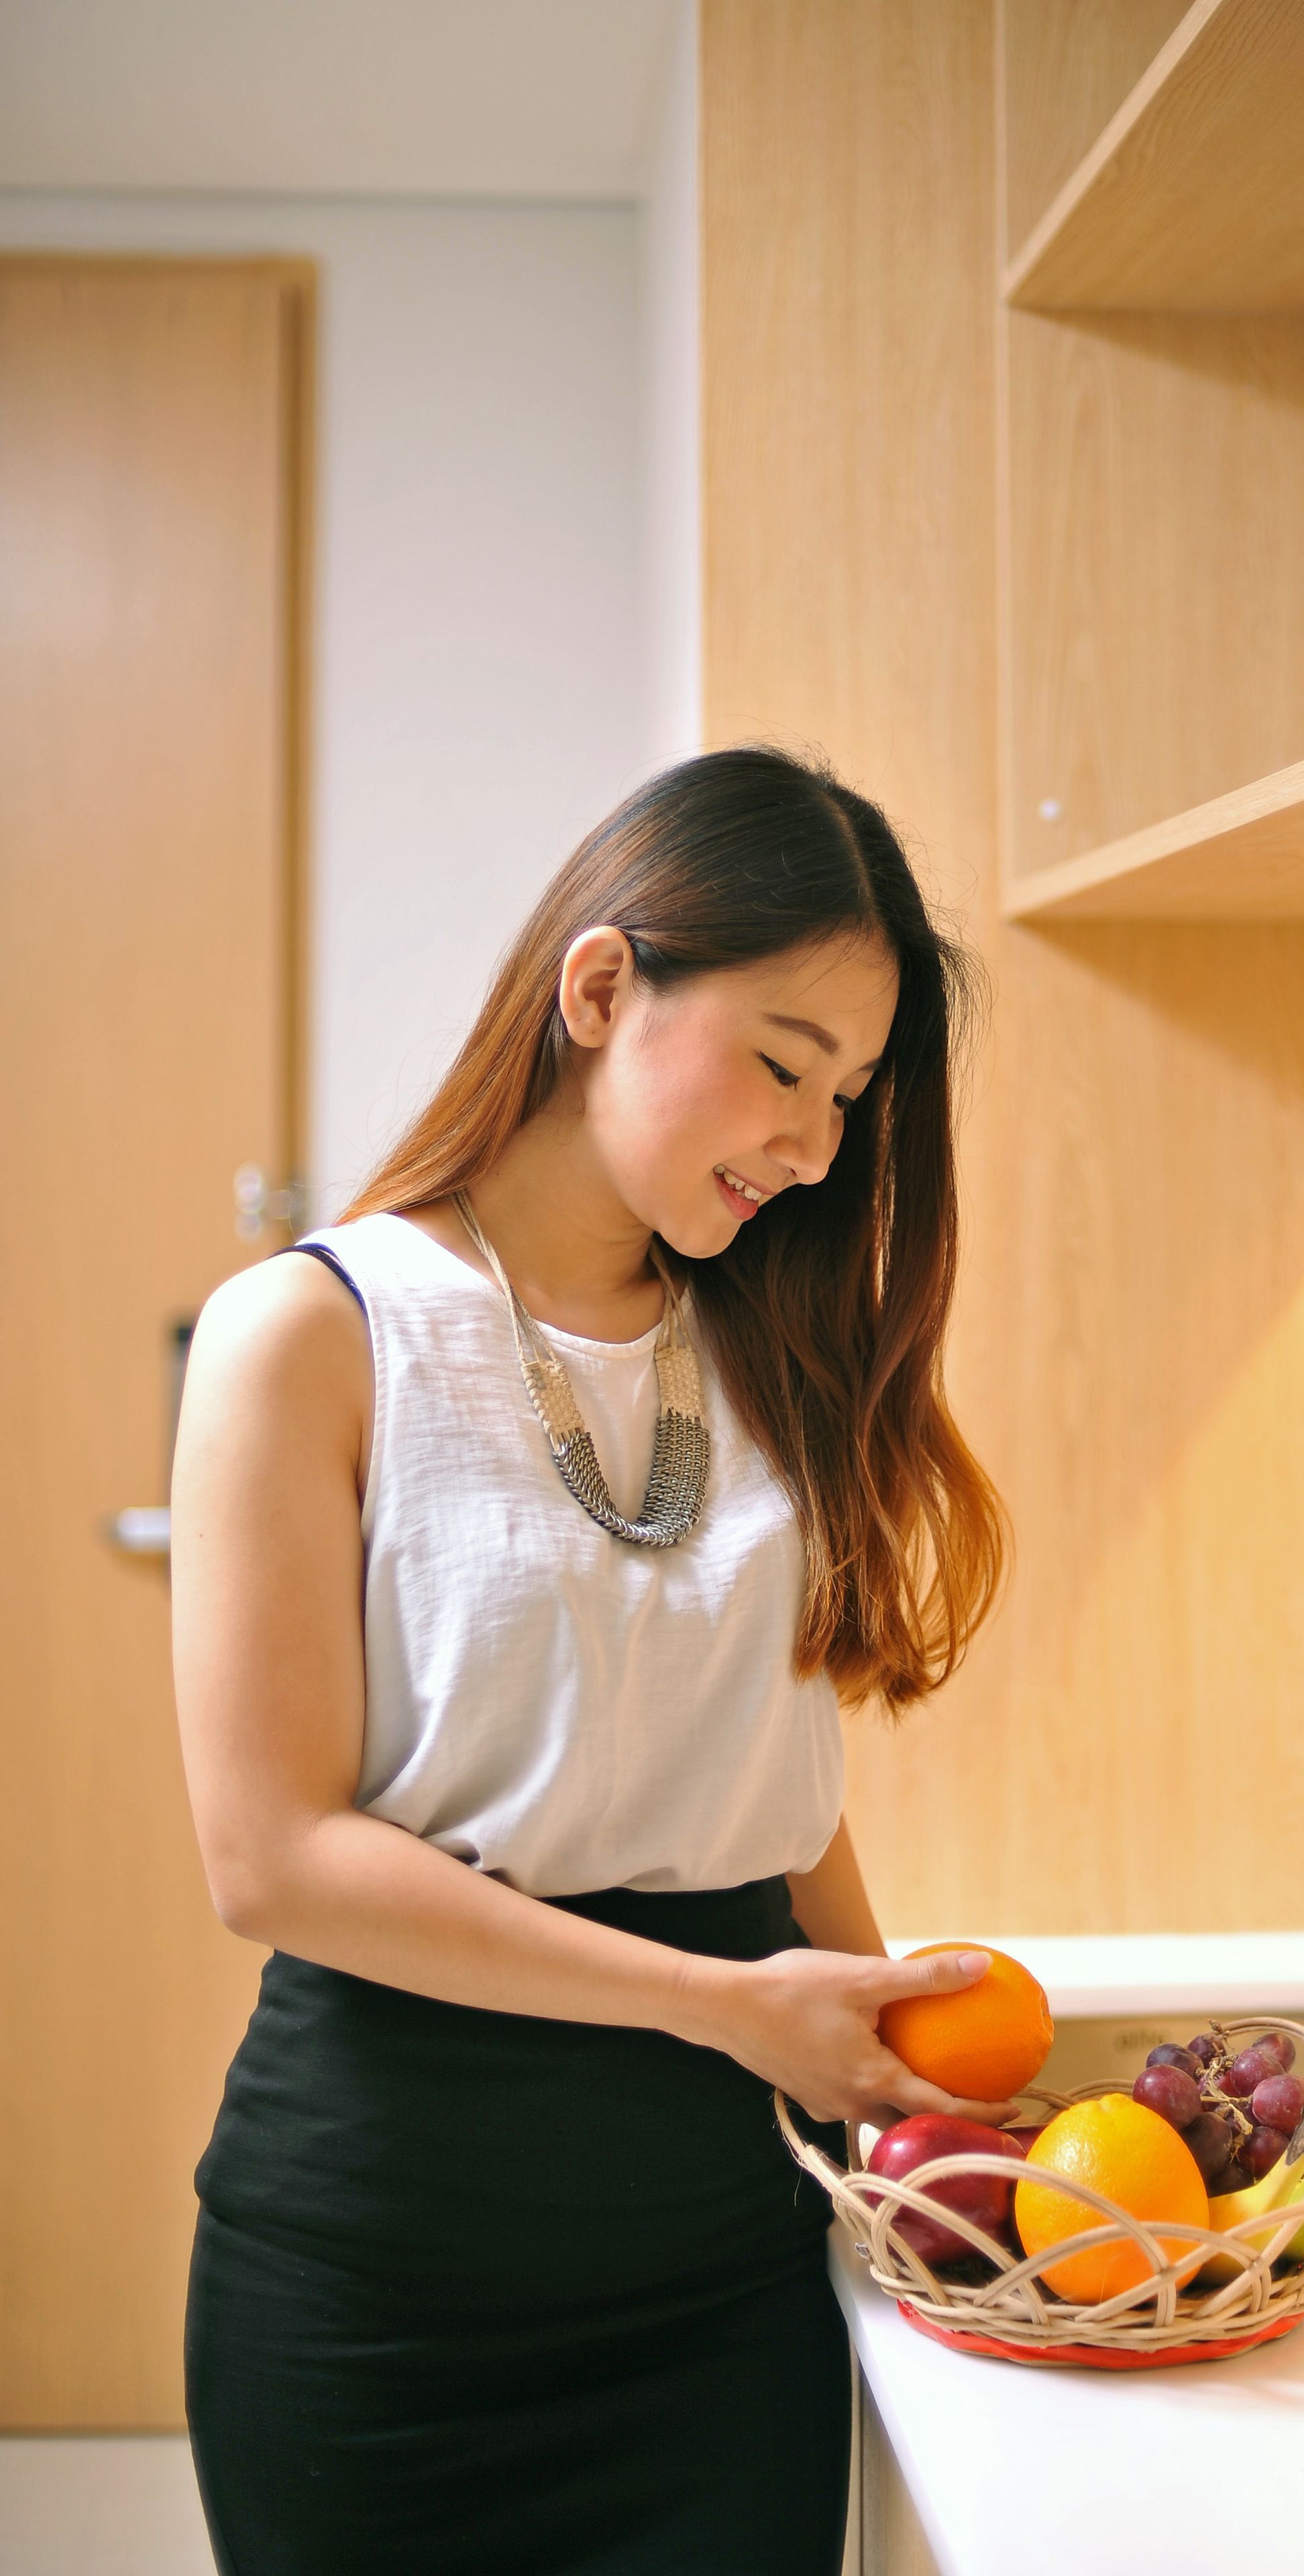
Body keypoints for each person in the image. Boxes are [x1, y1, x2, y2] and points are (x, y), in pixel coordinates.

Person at [170, 747, 1010, 2576]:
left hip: (720, 2284)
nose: (814, 1140)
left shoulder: (777, 1351)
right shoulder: (307, 1336)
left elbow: (772, 1801)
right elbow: (272, 1861)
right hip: (382, 2275)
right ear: (601, 987)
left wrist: (899, 2080)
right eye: (785, 1062)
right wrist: (731, 2010)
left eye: (851, 1095)